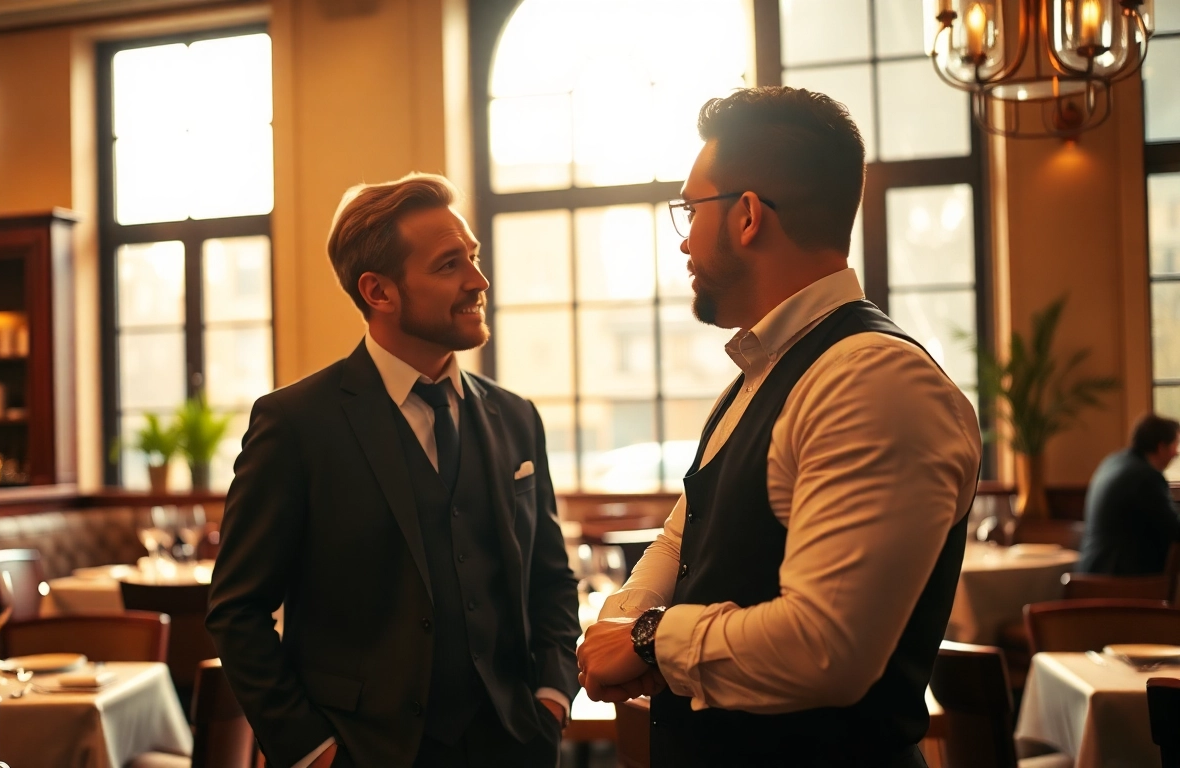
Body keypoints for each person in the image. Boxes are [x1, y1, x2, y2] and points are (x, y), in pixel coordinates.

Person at [574, 87, 983, 767]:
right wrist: (620, 621)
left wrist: (648, 642)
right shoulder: (757, 375)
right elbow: (684, 539)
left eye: (691, 210)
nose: (684, 239)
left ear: (747, 216)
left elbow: (827, 648)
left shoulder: (873, 379)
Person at [205, 173, 579, 768]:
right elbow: (237, 610)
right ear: (378, 291)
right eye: (449, 264)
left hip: (511, 745)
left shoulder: (515, 417)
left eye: (474, 258)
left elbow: (551, 579)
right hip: (364, 751)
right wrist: (312, 750)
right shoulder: (296, 424)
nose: (478, 281)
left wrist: (553, 697)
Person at [1078, 413, 1180, 575]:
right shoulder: (1145, 476)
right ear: (1161, 447)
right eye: (1175, 445)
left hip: (1094, 569)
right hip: (1120, 577)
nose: (1176, 453)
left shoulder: (1113, 462)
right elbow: (1174, 529)